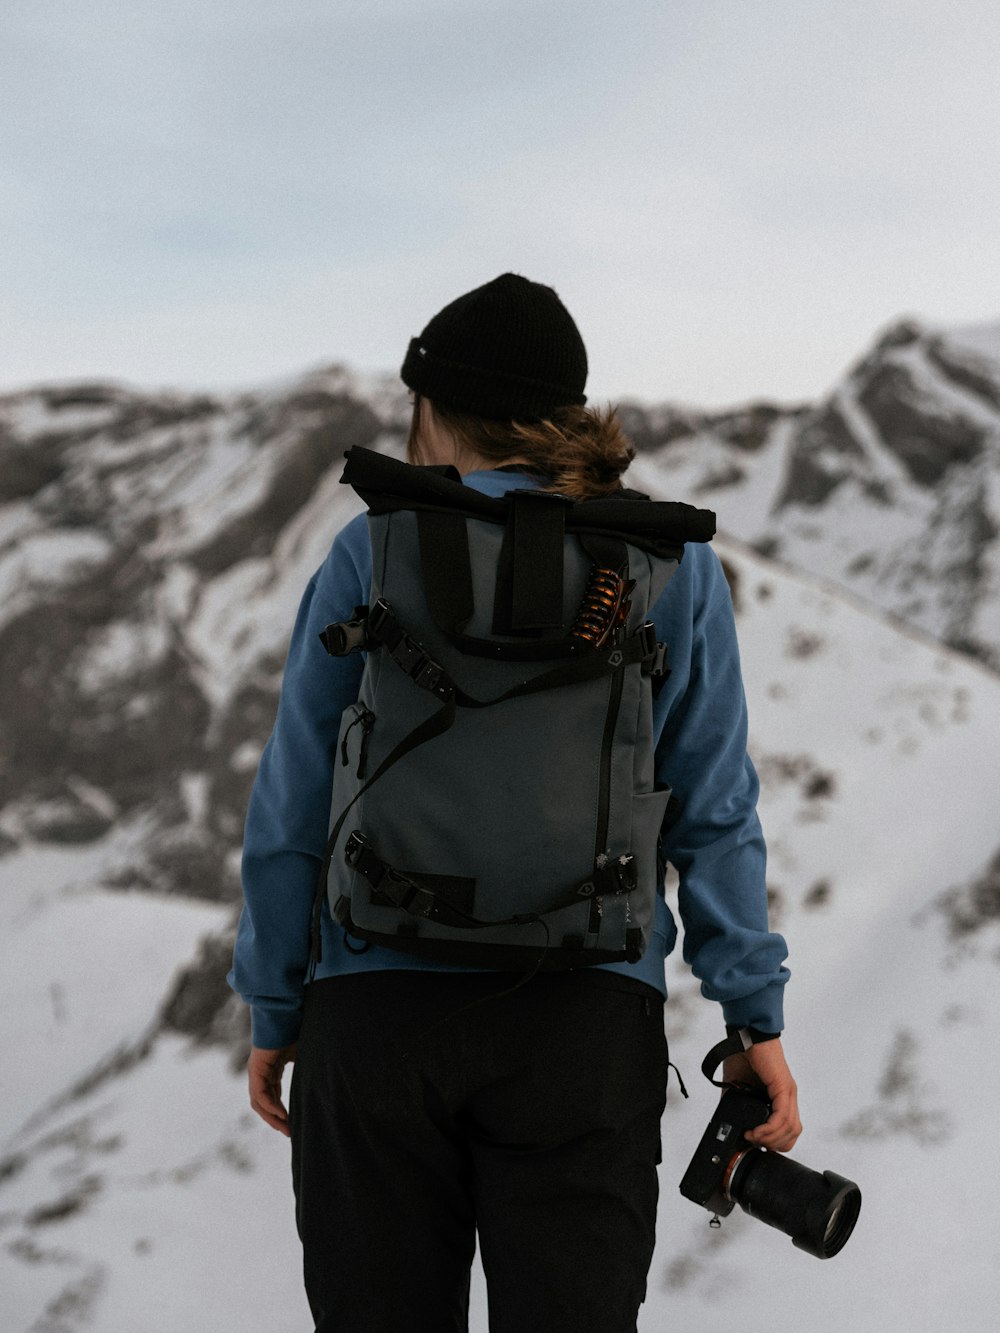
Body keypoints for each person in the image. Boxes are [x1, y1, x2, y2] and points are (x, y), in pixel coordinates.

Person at [229, 273, 800, 1333]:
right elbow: (713, 810)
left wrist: (273, 1002)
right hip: (583, 1029)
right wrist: (750, 1015)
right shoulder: (668, 567)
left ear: (435, 409)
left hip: (376, 1017)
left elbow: (292, 805)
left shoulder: (371, 547)